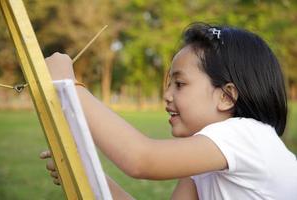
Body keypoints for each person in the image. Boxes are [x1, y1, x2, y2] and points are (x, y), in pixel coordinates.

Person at [40, 22, 297, 199]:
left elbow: (141, 159)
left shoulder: (246, 134)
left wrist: (69, 85)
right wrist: (87, 174)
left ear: (227, 96)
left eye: (180, 84)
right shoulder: (204, 161)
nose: (167, 95)